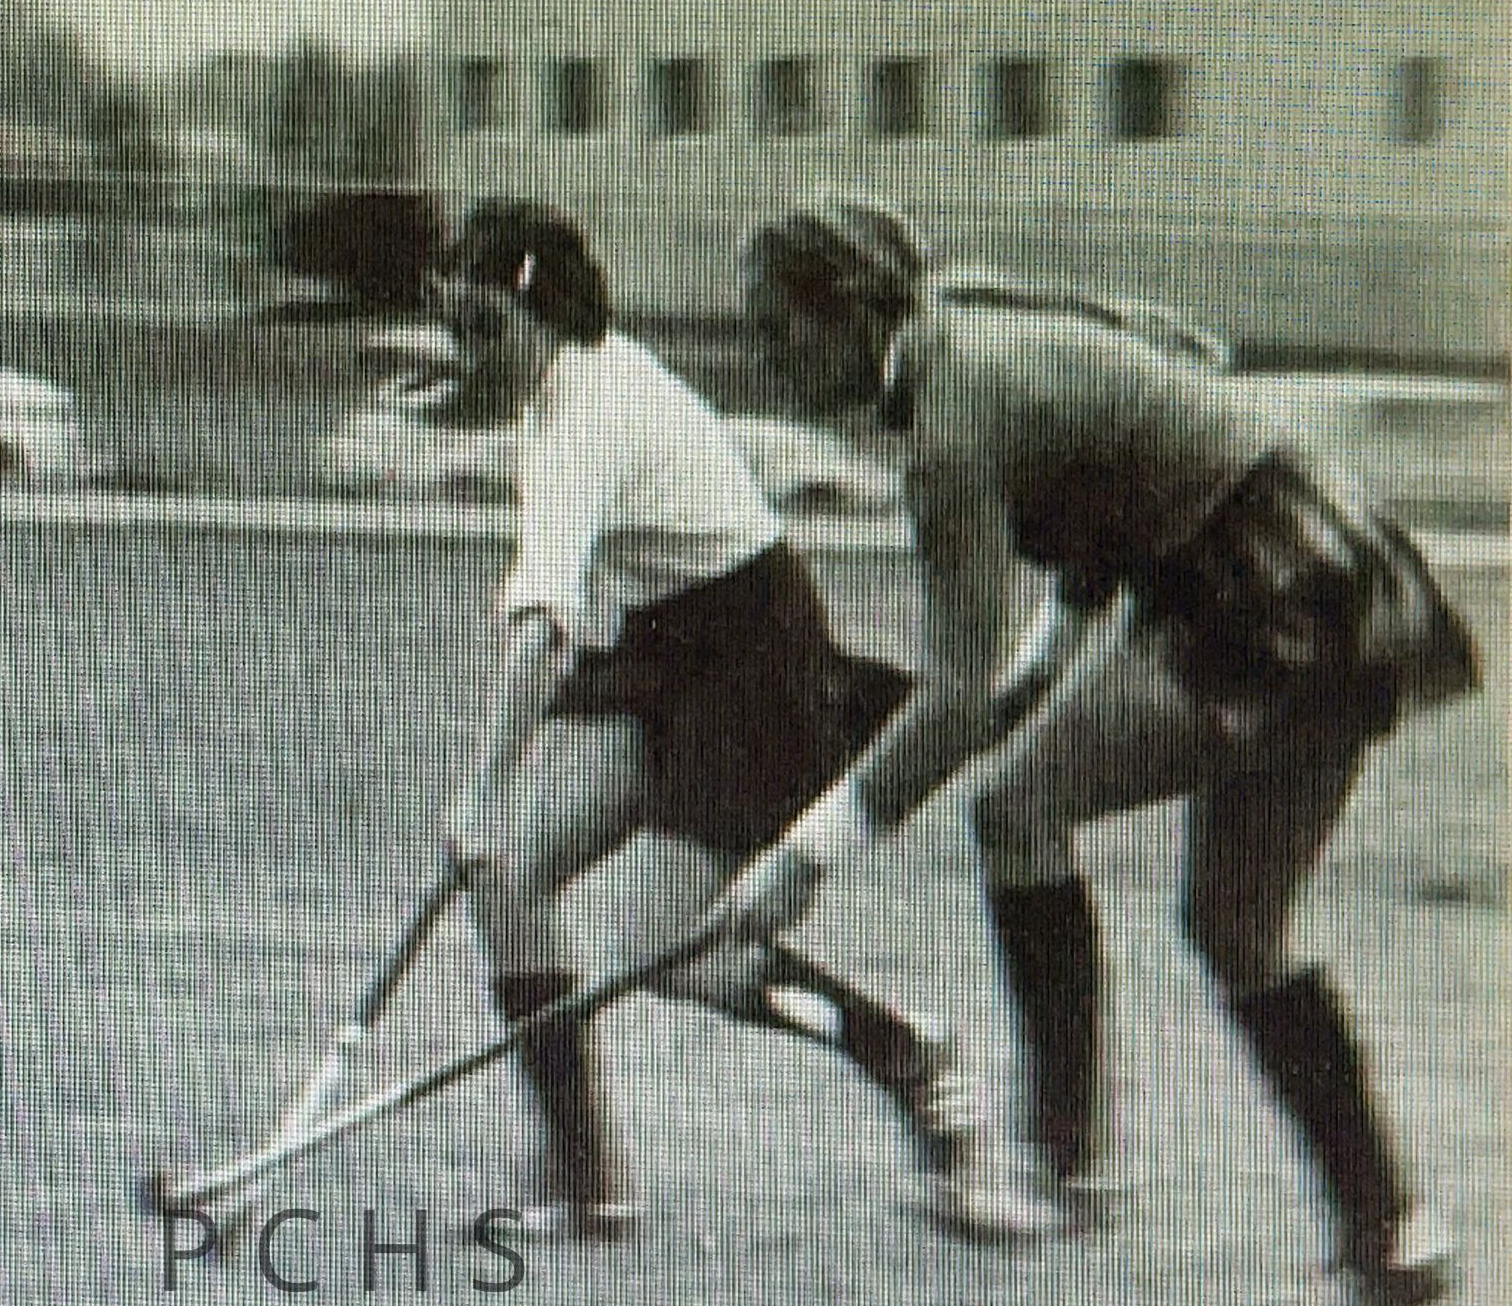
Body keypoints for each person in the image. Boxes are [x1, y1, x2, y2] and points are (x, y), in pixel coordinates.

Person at [719, 193, 1476, 1306]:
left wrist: (801, 856)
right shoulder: (956, 327)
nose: (764, 359)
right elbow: (1113, 470)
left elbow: (950, 695)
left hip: (1264, 591)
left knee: (1014, 810)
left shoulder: (948, 423)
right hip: (1333, 570)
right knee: (1235, 927)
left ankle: (1064, 1169)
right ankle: (1390, 1232)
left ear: (847, 310)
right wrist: (1041, 668)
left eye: (777, 329)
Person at [419, 199, 1052, 1242]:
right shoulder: (565, 377)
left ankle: (905, 1054)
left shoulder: (585, 419)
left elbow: (543, 630)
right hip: (666, 642)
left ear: (544, 313)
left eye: (485, 327)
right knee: (511, 879)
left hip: (750, 661)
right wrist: (454, 392)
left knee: (676, 951)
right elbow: (505, 415)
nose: (469, 351)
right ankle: (585, 1179)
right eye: (456, 326)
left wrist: (481, 789)